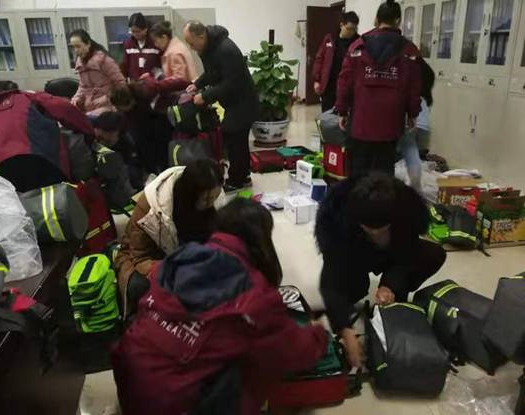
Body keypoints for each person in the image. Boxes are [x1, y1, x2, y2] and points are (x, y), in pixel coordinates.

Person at [112, 198, 328, 415]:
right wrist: (321, 334)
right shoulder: (254, 294)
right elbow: (294, 350)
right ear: (261, 240)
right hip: (176, 404)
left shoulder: (180, 258)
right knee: (257, 358)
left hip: (130, 383)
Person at [315, 172, 446, 368]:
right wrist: (345, 329)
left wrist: (389, 285)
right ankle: (357, 293)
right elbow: (331, 279)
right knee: (351, 291)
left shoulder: (406, 209)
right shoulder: (335, 221)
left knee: (433, 255)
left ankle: (393, 298)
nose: (376, 235)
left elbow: (406, 255)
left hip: (392, 251)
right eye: (370, 230)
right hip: (353, 252)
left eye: (382, 229)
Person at [115, 159, 225, 308]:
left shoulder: (213, 195)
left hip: (186, 255)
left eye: (215, 197)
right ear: (190, 194)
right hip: (152, 258)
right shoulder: (152, 206)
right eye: (206, 199)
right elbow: (140, 259)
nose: (211, 203)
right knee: (143, 289)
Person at [335, 0, 422, 177]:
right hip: (390, 124)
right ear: (398, 21)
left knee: (358, 173)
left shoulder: (358, 46)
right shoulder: (409, 50)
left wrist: (342, 111)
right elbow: (414, 87)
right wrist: (413, 113)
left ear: (376, 19)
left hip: (360, 123)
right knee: (384, 173)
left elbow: (345, 82)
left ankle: (358, 194)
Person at [183, 21, 259, 193]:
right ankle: (243, 175)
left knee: (234, 139)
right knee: (237, 140)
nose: (191, 47)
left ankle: (236, 180)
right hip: (235, 103)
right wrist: (198, 84)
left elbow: (231, 83)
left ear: (201, 36)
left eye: (191, 43)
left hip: (243, 103)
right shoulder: (208, 48)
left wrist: (206, 96)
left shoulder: (225, 50)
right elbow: (212, 72)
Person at [398, 58, 436, 193]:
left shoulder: (412, 96)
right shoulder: (426, 98)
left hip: (412, 129)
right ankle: (415, 189)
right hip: (423, 133)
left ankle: (410, 189)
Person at [70, 29, 126, 116]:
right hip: (89, 106)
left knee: (89, 119)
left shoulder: (105, 61)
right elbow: (82, 86)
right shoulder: (80, 62)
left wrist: (107, 98)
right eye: (73, 47)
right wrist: (76, 99)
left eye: (78, 46)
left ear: (88, 44)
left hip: (108, 107)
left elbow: (121, 84)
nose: (76, 50)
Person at [313, 11, 360, 113]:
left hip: (347, 87)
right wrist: (317, 80)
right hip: (329, 85)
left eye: (354, 29)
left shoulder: (358, 42)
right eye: (349, 29)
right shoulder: (330, 38)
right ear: (341, 25)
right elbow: (319, 58)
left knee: (344, 115)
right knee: (327, 116)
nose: (352, 32)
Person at [92, 111, 145, 191]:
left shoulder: (127, 146)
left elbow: (134, 170)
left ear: (119, 137)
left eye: (107, 142)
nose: (102, 145)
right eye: (99, 138)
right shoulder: (86, 129)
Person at [121, 13, 161, 81]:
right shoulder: (128, 44)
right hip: (134, 83)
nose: (135, 34)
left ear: (145, 29)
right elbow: (125, 66)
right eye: (133, 31)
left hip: (152, 83)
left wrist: (151, 74)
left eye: (138, 31)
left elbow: (160, 66)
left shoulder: (154, 43)